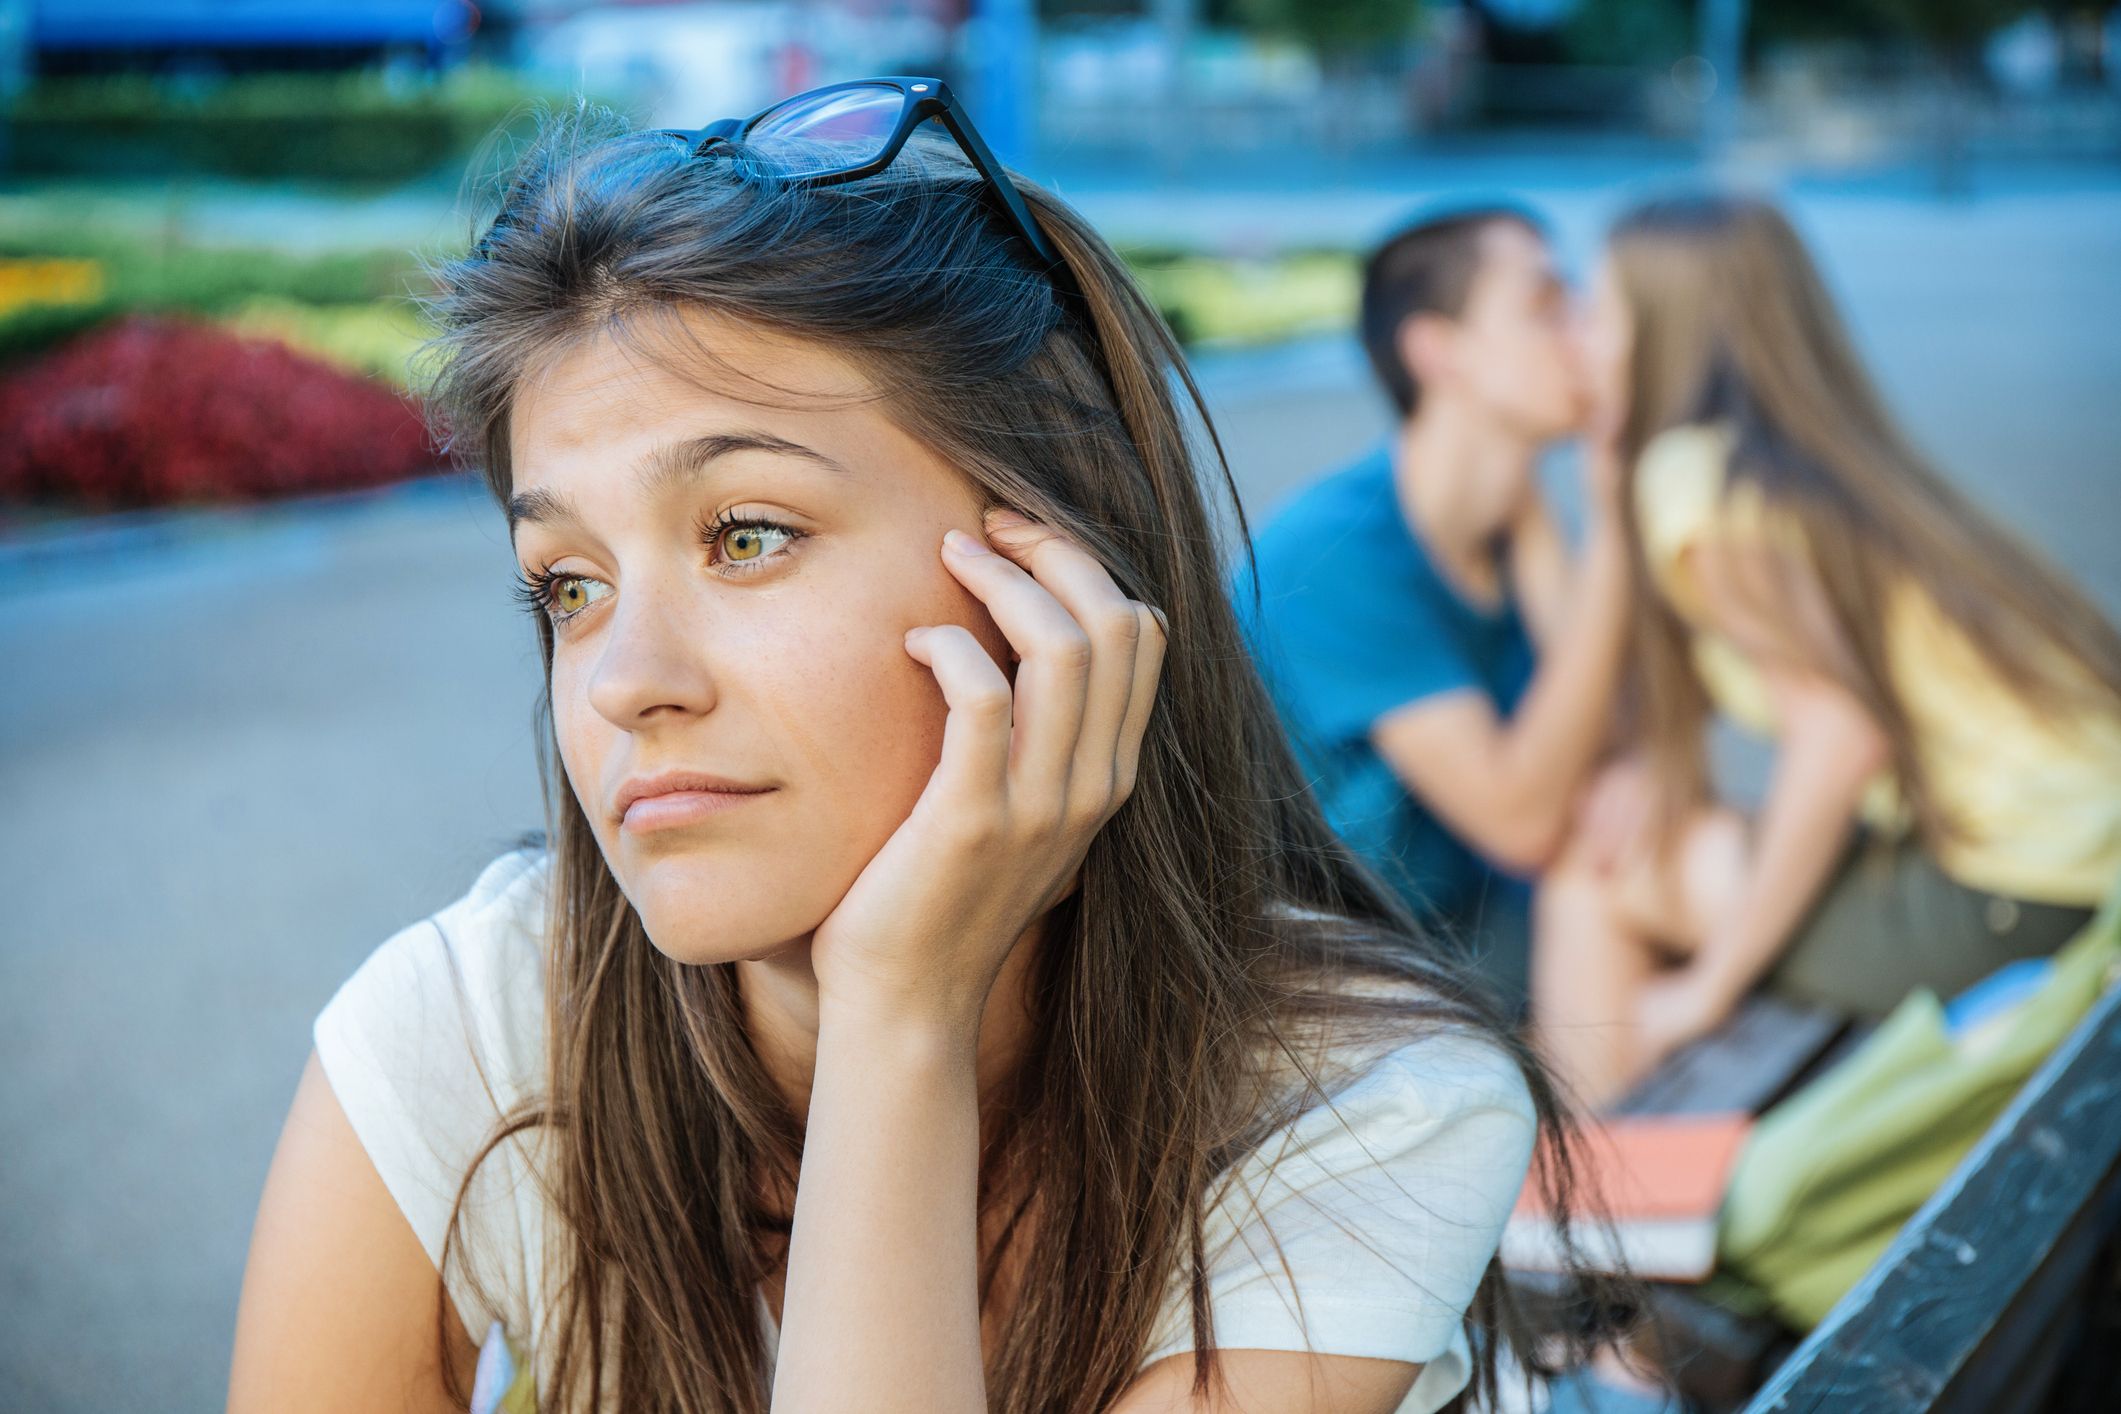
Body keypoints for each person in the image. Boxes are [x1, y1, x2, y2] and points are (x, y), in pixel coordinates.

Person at [227, 88, 1642, 1414]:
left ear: (1058, 585)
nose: (623, 685)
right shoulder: (469, 1030)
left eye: (746, 535)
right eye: (567, 583)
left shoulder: (1362, 1104)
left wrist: (898, 1012)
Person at [1533, 190, 2121, 1111]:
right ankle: (1619, 1199)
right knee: (1642, 858)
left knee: (1595, 880)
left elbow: (1838, 738)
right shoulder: (1808, 464)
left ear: (1666, 332)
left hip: (2025, 894)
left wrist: (1707, 988)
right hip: (2064, 858)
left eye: (1598, 313)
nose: (1576, 340)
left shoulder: (1695, 484)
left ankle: (1604, 1221)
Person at [1232, 205, 1633, 1026]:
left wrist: (1546, 535)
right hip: (1346, 994)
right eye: (1546, 306)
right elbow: (1522, 819)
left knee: (1651, 862)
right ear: (1436, 351)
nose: (1584, 333)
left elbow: (1619, 747)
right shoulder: (1332, 556)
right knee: (1645, 881)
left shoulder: (1517, 528)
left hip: (1475, 931)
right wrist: (1618, 527)